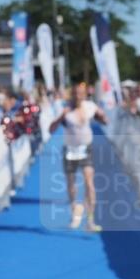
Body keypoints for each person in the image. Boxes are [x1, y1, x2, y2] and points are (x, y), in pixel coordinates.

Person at [49, 82, 107, 231]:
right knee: (71, 184)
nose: (77, 96)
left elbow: (104, 121)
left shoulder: (90, 106)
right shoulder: (65, 109)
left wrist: (102, 116)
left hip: (86, 149)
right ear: (72, 94)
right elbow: (51, 129)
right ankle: (75, 209)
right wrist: (60, 117)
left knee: (89, 183)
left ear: (84, 94)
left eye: (80, 93)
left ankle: (90, 221)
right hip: (70, 149)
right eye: (75, 93)